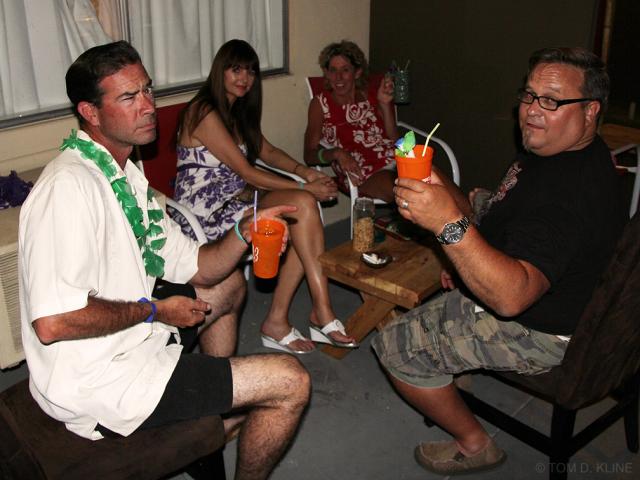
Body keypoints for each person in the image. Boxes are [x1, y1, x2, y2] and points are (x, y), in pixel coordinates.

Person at [19, 41, 310, 480]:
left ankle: (207, 409)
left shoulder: (125, 175)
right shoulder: (68, 189)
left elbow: (200, 265)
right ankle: (213, 416)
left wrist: (242, 234)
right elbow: (53, 322)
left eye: (148, 90)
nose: (148, 106)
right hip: (98, 382)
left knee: (229, 284)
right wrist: (154, 310)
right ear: (90, 112)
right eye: (128, 97)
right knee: (291, 381)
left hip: (135, 341)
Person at [372, 47, 627, 475]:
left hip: (538, 328)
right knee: (462, 213)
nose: (532, 110)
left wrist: (449, 227)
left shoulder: (567, 196)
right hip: (549, 287)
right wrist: (463, 232)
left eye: (552, 100)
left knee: (394, 348)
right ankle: (455, 364)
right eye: (528, 95)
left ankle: (475, 445)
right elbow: (520, 221)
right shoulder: (559, 150)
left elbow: (511, 298)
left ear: (590, 110)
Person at [173, 39, 357, 353]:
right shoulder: (203, 111)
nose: (244, 78)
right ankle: (315, 315)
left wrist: (306, 173)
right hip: (203, 213)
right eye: (236, 70)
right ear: (221, 71)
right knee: (302, 204)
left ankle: (290, 317)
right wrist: (304, 187)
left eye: (250, 71)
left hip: (237, 199)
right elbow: (246, 171)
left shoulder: (236, 111)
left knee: (302, 210)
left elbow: (267, 152)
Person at [303, 40, 398, 202]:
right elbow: (309, 155)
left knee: (433, 179)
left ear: (357, 72)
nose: (338, 77)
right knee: (405, 191)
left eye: (345, 70)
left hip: (396, 160)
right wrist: (336, 153)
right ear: (326, 73)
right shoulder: (320, 104)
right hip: (363, 173)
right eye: (333, 70)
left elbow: (395, 139)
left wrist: (385, 104)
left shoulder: (370, 95)